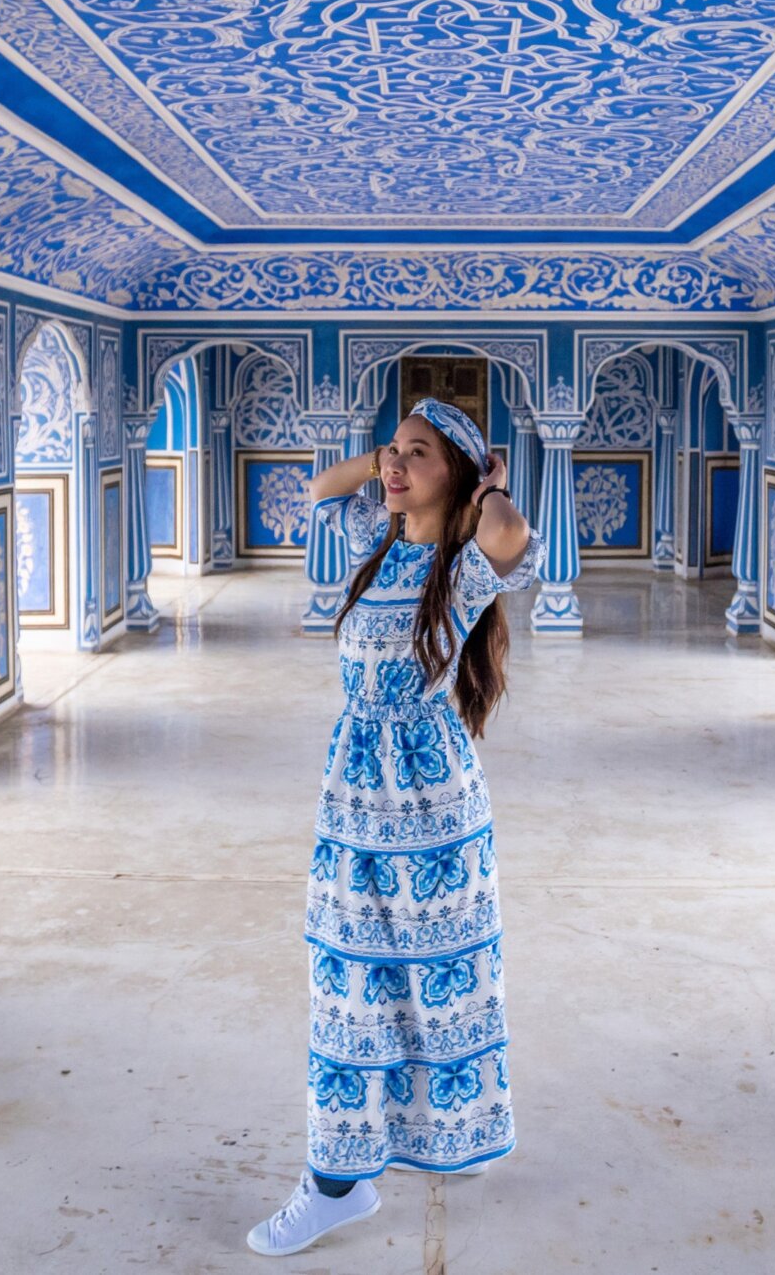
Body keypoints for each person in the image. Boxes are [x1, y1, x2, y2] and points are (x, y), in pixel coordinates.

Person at [246, 398, 540, 1257]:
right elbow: (318, 486)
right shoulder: (379, 539)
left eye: (419, 456)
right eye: (393, 453)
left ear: (455, 476)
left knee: (437, 980)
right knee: (351, 985)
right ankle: (344, 1175)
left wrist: (487, 484)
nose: (394, 467)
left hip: (431, 811)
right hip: (355, 803)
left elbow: (514, 533)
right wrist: (394, 451)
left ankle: (376, 1168)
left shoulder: (460, 565)